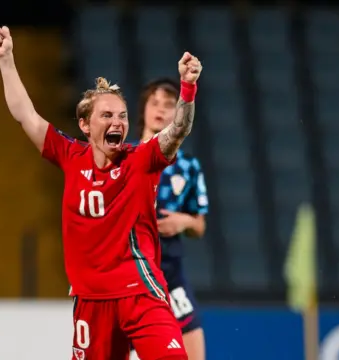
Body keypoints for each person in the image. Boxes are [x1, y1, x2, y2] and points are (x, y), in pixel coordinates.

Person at [0, 26, 202, 360]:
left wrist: (188, 89)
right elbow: (24, 114)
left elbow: (178, 130)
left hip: (141, 293)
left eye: (122, 116)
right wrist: (6, 60)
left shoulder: (142, 160)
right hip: (90, 302)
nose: (117, 122)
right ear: (86, 125)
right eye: (107, 115)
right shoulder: (70, 155)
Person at [137, 78, 209, 360]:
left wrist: (184, 222)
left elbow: (199, 225)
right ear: (143, 110)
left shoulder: (189, 167)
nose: (160, 110)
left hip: (171, 274)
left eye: (169, 105)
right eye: (154, 103)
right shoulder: (125, 157)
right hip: (135, 276)